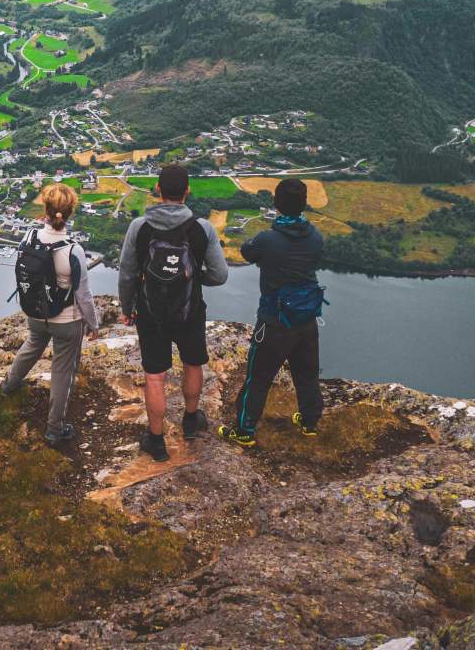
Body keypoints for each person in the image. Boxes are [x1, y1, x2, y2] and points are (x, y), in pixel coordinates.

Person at [117, 163, 228, 461]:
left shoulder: (139, 227)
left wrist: (127, 308)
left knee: (155, 376)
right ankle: (190, 421)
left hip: (150, 312)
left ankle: (156, 441)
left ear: (158, 190)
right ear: (187, 191)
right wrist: (192, 278)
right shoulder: (202, 228)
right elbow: (220, 275)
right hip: (190, 310)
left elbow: (127, 274)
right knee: (192, 363)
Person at [220, 178, 327, 448]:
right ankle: (309, 423)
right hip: (307, 320)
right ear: (304, 203)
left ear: (276, 203)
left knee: (258, 378)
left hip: (274, 322)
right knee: (307, 374)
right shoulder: (315, 237)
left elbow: (247, 252)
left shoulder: (268, 240)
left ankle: (244, 431)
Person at [2, 182, 100, 444]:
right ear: (70, 212)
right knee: (62, 371)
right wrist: (93, 324)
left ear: (45, 208)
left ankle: (9, 384)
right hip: (66, 322)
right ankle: (55, 429)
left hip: (36, 312)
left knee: (32, 345)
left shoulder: (29, 237)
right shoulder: (73, 250)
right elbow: (83, 295)